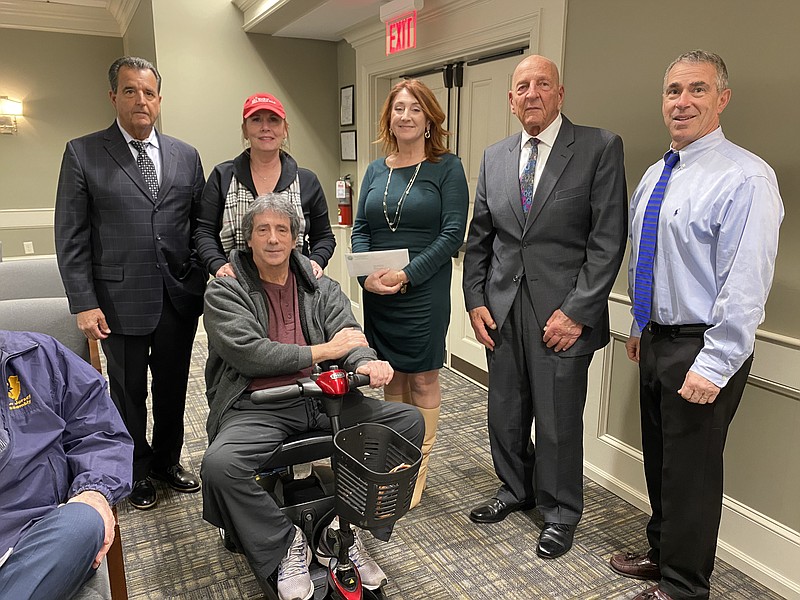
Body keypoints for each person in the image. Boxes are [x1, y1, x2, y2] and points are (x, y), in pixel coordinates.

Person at [609, 50, 783, 600]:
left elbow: (745, 284)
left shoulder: (746, 177)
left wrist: (715, 362)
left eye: (697, 90)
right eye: (673, 91)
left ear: (722, 99)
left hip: (703, 346)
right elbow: (649, 257)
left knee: (693, 475)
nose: (682, 102)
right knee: (661, 463)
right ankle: (663, 554)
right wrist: (640, 325)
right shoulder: (659, 172)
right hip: (658, 338)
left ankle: (684, 587)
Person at [200, 195, 424, 600]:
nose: (272, 239)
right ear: (247, 238)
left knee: (406, 423)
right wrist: (324, 352)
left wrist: (367, 361)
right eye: (262, 230)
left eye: (281, 230)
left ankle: (344, 529)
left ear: (295, 238)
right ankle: (285, 544)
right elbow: (249, 353)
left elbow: (348, 333)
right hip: (259, 404)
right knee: (219, 466)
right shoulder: (225, 289)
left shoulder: (320, 284)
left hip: (323, 400)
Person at [462, 54, 627, 558]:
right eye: (521, 86)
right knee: (505, 413)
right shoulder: (494, 156)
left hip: (564, 318)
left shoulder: (598, 147)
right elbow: (480, 239)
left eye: (542, 84)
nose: (531, 93)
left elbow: (607, 241)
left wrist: (577, 311)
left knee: (558, 423)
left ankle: (559, 513)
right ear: (511, 100)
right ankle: (516, 489)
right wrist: (474, 301)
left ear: (560, 93)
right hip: (503, 310)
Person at [55, 56, 206, 511]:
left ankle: (166, 461)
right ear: (113, 96)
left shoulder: (186, 154)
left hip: (178, 298)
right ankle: (135, 470)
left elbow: (200, 226)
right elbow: (72, 235)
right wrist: (83, 301)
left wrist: (198, 279)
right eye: (130, 91)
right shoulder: (83, 152)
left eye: (148, 92)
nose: (141, 100)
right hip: (117, 301)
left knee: (173, 386)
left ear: (159, 100)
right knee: (127, 394)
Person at [350, 79, 468, 508]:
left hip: (422, 289)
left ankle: (415, 470)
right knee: (391, 374)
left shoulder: (446, 167)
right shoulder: (375, 169)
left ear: (429, 117)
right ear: (389, 117)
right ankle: (393, 461)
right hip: (379, 291)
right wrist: (366, 277)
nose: (405, 116)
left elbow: (453, 232)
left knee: (421, 376)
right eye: (399, 108)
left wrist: (407, 275)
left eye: (414, 109)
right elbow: (362, 229)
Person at [0, 330, 133, 600]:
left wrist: (94, 491)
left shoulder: (38, 355)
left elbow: (99, 430)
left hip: (42, 528)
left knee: (84, 521)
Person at [193, 93, 336, 280]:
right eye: (256, 120)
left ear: (285, 129)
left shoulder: (307, 181)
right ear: (245, 129)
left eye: (274, 120)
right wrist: (218, 265)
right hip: (237, 286)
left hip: (295, 286)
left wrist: (316, 261)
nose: (265, 127)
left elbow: (324, 237)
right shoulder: (223, 177)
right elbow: (204, 232)